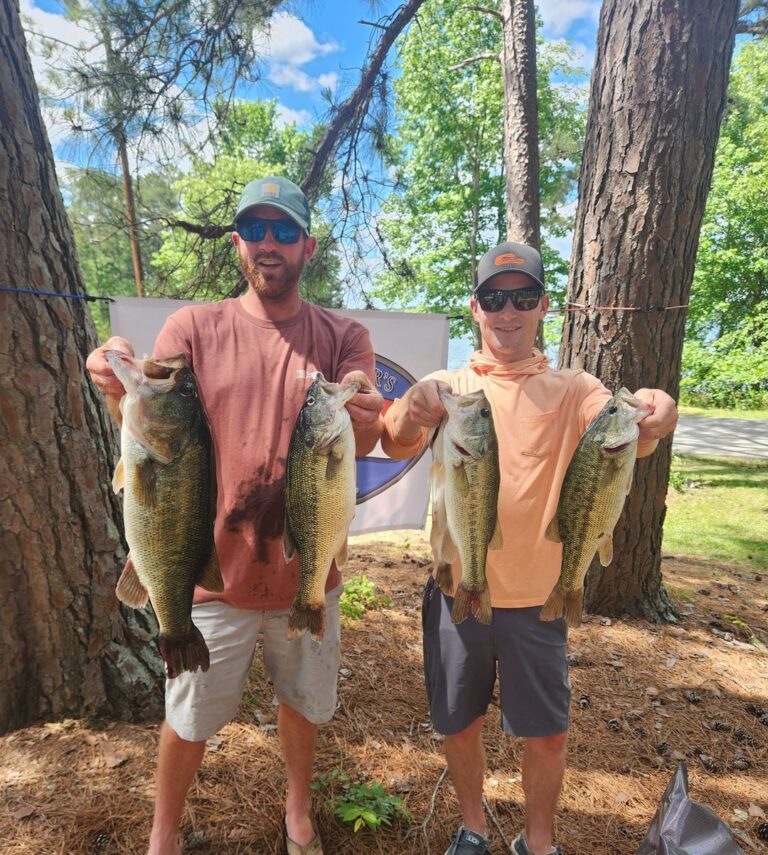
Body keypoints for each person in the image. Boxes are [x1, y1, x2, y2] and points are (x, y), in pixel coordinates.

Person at [87, 176, 384, 855]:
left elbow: (360, 442)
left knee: (303, 705)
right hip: (206, 571)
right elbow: (147, 420)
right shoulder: (192, 327)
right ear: (237, 244)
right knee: (188, 715)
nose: (269, 243)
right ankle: (164, 831)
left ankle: (298, 810)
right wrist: (114, 378)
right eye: (256, 229)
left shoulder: (345, 335)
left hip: (308, 569)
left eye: (285, 231)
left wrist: (363, 415)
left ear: (308, 245)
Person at [381, 241, 678, 855]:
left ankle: (536, 844)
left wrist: (658, 410)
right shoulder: (449, 388)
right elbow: (392, 439)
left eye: (521, 297)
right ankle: (473, 827)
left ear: (544, 306)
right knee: (459, 723)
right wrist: (412, 406)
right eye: (494, 297)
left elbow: (628, 430)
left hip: (540, 597)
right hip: (456, 588)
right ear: (475, 307)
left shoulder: (574, 387)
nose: (507, 310)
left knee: (546, 734)